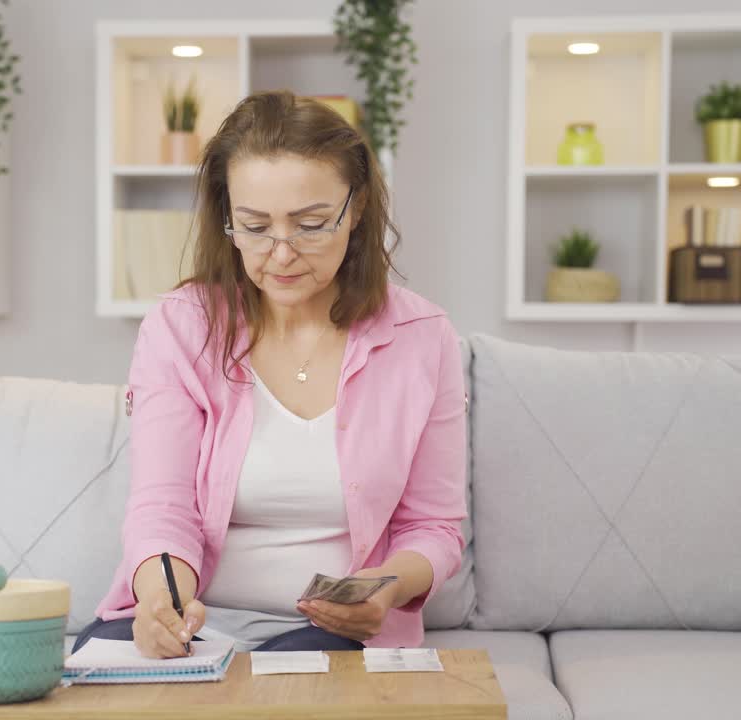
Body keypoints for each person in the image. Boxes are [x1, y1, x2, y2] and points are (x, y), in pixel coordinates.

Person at [75, 90, 467, 658]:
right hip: (199, 628)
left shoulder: (421, 338)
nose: (280, 254)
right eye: (254, 227)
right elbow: (163, 508)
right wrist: (162, 603)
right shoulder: (179, 328)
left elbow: (434, 527)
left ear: (355, 211)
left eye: (309, 225)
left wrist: (385, 589)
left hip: (331, 637)